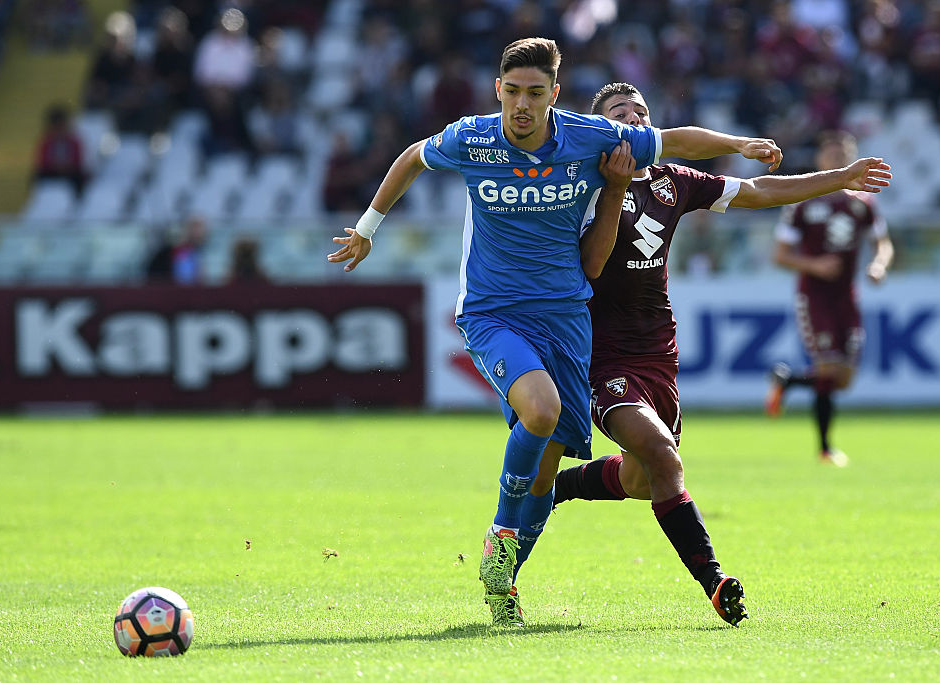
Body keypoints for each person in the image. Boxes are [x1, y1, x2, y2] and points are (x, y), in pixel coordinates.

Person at [327, 37, 783, 627]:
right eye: (512, 91)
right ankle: (499, 533)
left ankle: (502, 589)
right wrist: (369, 226)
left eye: (534, 93)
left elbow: (676, 141)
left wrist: (738, 144)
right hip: (493, 313)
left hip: (567, 319)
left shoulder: (587, 138)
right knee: (539, 414)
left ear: (554, 95)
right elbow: (414, 155)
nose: (521, 104)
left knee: (546, 471)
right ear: (498, 90)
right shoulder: (473, 138)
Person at [547, 83, 892, 627]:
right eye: (619, 113)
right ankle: (716, 582)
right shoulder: (576, 183)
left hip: (658, 351)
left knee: (642, 478)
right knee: (664, 458)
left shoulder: (674, 182)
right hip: (599, 352)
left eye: (641, 111)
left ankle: (560, 486)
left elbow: (757, 192)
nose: (633, 117)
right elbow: (590, 266)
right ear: (600, 130)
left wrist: (840, 180)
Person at [765, 131, 894, 466]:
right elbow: (780, 255)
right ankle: (825, 449)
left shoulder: (864, 202)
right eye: (832, 155)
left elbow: (883, 242)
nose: (838, 160)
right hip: (814, 296)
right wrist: (815, 265)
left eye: (844, 155)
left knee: (843, 379)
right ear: (820, 161)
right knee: (827, 369)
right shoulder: (804, 201)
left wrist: (878, 265)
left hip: (846, 296)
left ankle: (788, 380)